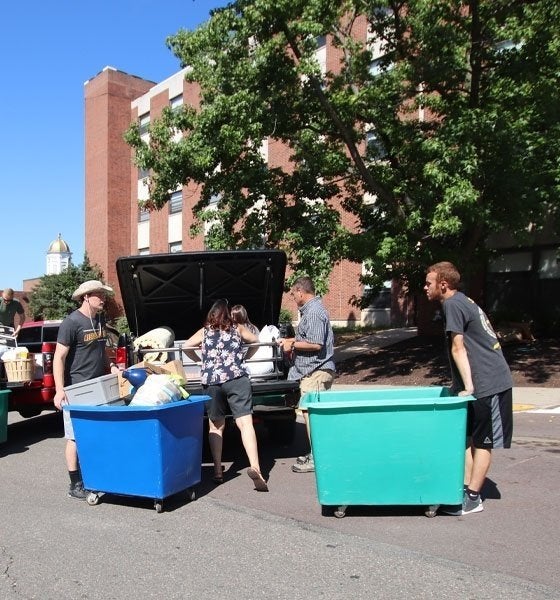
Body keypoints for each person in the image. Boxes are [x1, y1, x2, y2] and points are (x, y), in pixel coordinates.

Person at [424, 261, 514, 516]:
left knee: (483, 441)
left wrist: (469, 385)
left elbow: (458, 347)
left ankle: (473, 497)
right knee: (462, 438)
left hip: (490, 383)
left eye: (429, 283)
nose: (425, 287)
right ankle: (464, 488)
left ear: (443, 284)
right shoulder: (459, 301)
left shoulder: (452, 303)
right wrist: (459, 385)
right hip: (478, 383)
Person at [182, 299, 268, 492]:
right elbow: (256, 341)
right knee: (245, 424)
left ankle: (218, 472)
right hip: (237, 378)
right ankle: (256, 468)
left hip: (212, 381)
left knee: (216, 425)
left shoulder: (204, 332)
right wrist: (246, 357)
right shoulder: (237, 328)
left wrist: (201, 361)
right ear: (227, 314)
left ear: (211, 314)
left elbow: (186, 347)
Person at [53, 280, 120, 500]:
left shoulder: (99, 320)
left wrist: (111, 366)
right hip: (76, 390)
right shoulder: (71, 323)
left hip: (98, 387)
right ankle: (75, 484)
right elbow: (59, 358)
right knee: (75, 437)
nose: (103, 299)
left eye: (103, 294)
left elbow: (101, 351)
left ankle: (96, 476)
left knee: (97, 433)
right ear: (86, 297)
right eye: (99, 295)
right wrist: (59, 390)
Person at [279, 276, 335, 473]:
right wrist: (291, 340)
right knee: (309, 413)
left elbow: (316, 343)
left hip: (316, 372)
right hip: (312, 372)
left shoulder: (314, 313)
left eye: (293, 294)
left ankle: (318, 458)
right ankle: (315, 453)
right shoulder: (312, 311)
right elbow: (309, 338)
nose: (293, 298)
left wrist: (292, 344)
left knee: (313, 415)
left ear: (301, 292)